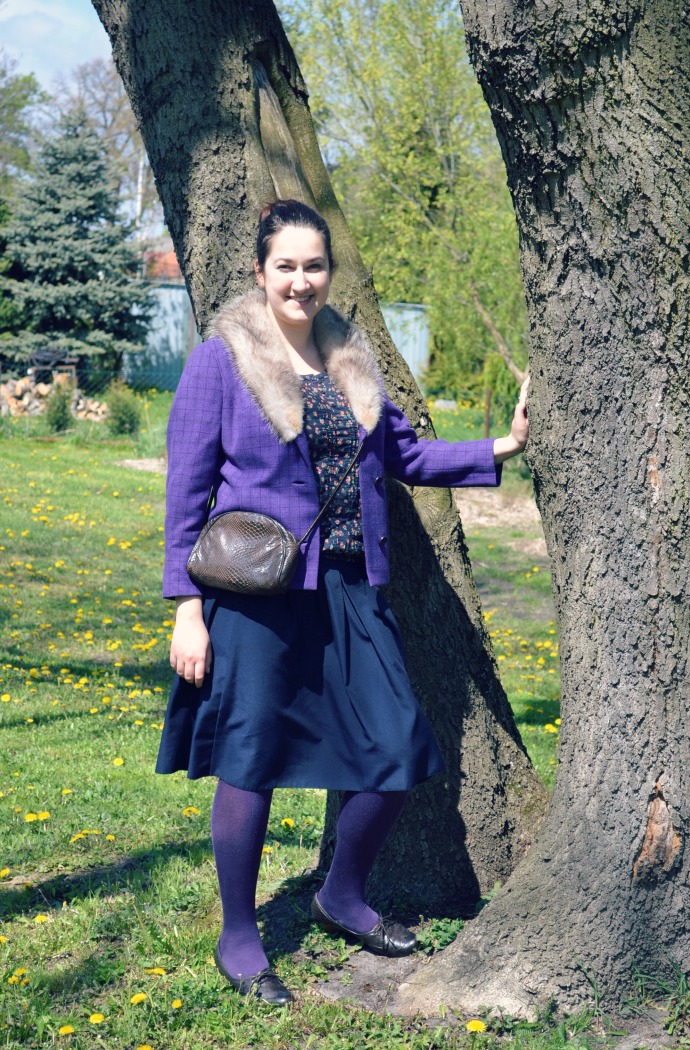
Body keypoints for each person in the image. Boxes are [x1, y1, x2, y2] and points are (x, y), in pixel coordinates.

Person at [158, 199, 529, 1006]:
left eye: (314, 266)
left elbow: (405, 455)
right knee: (250, 758)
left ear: (329, 273)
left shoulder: (349, 358)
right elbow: (185, 493)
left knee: (397, 745)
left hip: (350, 586)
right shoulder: (221, 361)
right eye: (286, 266)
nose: (301, 281)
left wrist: (503, 445)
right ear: (260, 272)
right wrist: (186, 609)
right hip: (256, 595)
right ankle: (239, 937)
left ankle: (341, 895)